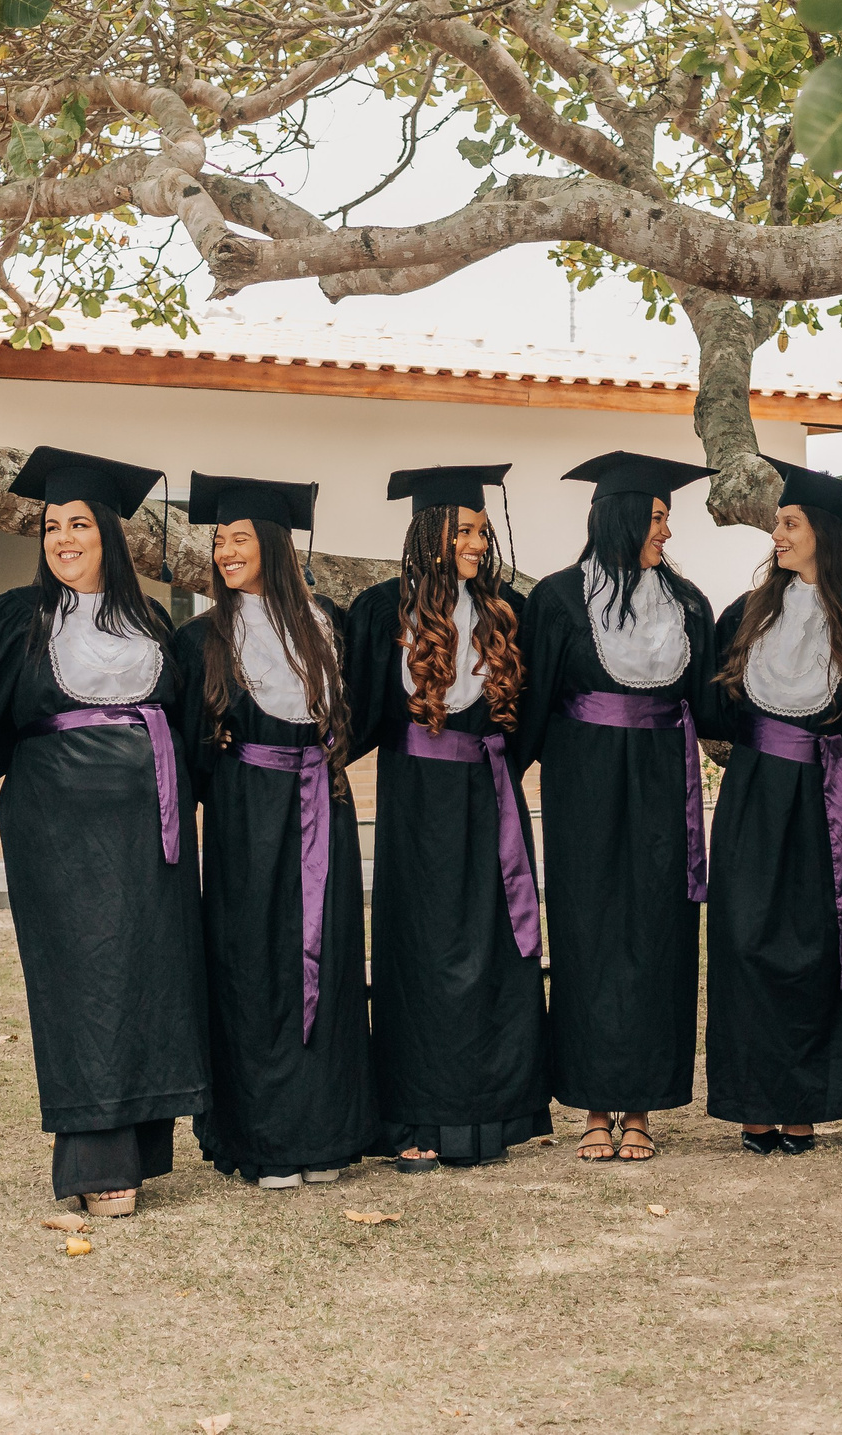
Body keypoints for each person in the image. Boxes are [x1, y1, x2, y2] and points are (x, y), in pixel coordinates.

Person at [0, 447, 209, 1217]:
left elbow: (186, 721)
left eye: (78, 524)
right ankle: (95, 1159)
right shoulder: (13, 621)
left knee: (148, 975)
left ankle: (139, 1146)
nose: (63, 538)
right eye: (51, 526)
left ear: (110, 533)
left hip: (152, 832)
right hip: (58, 836)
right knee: (81, 985)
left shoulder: (151, 621)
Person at [698, 458, 842, 1154]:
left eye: (789, 522)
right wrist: (765, 754)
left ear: (822, 531)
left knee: (816, 949)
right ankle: (753, 1103)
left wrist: (840, 767)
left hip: (827, 799)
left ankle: (803, 1107)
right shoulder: (745, 612)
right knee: (746, 942)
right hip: (754, 796)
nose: (778, 534)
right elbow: (717, 707)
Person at [515, 452, 718, 1166]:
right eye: (658, 516)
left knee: (659, 936)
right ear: (625, 515)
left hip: (665, 787)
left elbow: (714, 703)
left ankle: (642, 1109)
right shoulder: (559, 600)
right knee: (589, 937)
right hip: (585, 791)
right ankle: (594, 1107)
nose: (667, 528)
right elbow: (532, 711)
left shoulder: (690, 603)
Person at [175, 472, 376, 1190]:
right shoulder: (201, 637)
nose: (226, 550)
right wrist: (230, 773)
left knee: (329, 960)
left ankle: (326, 1133)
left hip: (324, 806)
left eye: (239, 538)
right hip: (245, 818)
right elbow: (187, 740)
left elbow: (352, 720)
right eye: (219, 539)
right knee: (253, 963)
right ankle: (261, 1139)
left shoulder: (328, 624)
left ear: (274, 544)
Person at [346, 465, 549, 1170]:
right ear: (431, 535)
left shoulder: (507, 610)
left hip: (489, 795)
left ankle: (487, 1115)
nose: (476, 541)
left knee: (493, 951)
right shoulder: (380, 611)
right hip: (414, 804)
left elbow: (527, 720)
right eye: (464, 530)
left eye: (481, 530)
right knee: (417, 954)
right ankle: (414, 1116)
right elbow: (359, 713)